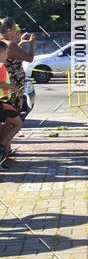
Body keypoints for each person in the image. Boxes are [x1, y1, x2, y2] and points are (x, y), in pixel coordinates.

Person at [0, 18, 35, 119]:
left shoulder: (3, 43)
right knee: (13, 113)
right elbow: (29, 58)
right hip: (13, 83)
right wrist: (31, 45)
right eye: (14, 27)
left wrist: (20, 43)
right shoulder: (11, 44)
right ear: (8, 30)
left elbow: (12, 57)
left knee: (7, 112)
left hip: (6, 81)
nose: (16, 30)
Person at [0, 39, 23, 167]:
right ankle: (2, 146)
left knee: (7, 125)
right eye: (6, 52)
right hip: (2, 102)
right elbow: (1, 83)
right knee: (18, 123)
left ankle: (3, 153)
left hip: (3, 101)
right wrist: (13, 87)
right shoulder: (1, 66)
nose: (7, 55)